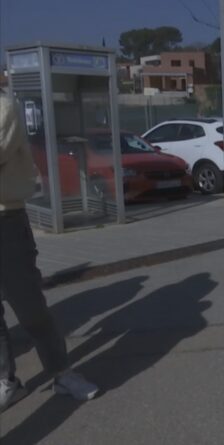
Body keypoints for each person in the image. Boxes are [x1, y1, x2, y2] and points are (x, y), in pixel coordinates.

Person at [0, 91, 100, 412]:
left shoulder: (4, 107)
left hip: (6, 219)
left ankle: (61, 373)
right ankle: (6, 382)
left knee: (29, 306)